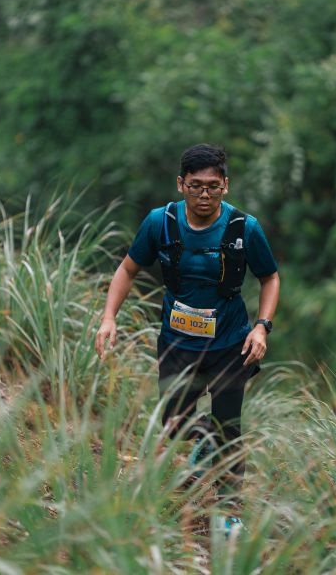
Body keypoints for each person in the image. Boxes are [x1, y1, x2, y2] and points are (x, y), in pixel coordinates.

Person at [95, 143, 280, 532]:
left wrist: (262, 326)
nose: (204, 195)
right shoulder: (160, 222)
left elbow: (270, 278)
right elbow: (127, 269)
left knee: (229, 427)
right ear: (181, 184)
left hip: (231, 344)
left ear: (226, 185)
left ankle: (229, 512)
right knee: (174, 422)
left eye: (213, 186)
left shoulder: (244, 228)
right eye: (196, 186)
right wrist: (108, 317)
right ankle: (205, 442)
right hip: (177, 342)